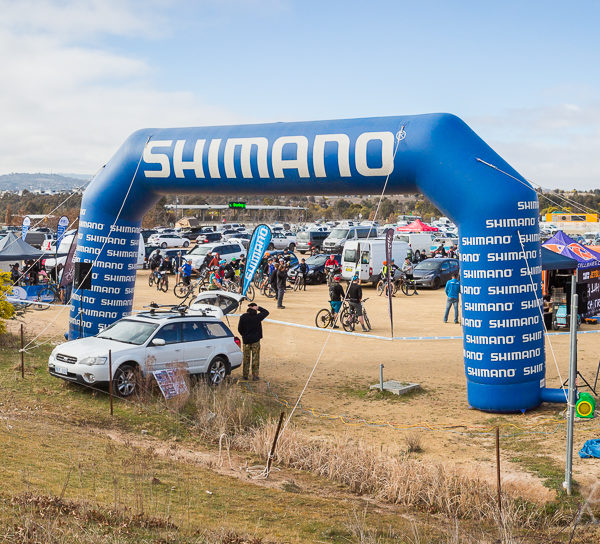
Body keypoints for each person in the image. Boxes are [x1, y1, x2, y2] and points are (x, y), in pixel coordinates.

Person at [237, 302, 269, 381]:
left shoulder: (243, 317)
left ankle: (245, 375)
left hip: (246, 340)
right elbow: (266, 312)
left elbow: (239, 329)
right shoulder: (257, 317)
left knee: (246, 358)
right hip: (255, 341)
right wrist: (258, 307)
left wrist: (244, 335)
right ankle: (255, 376)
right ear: (255, 310)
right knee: (255, 358)